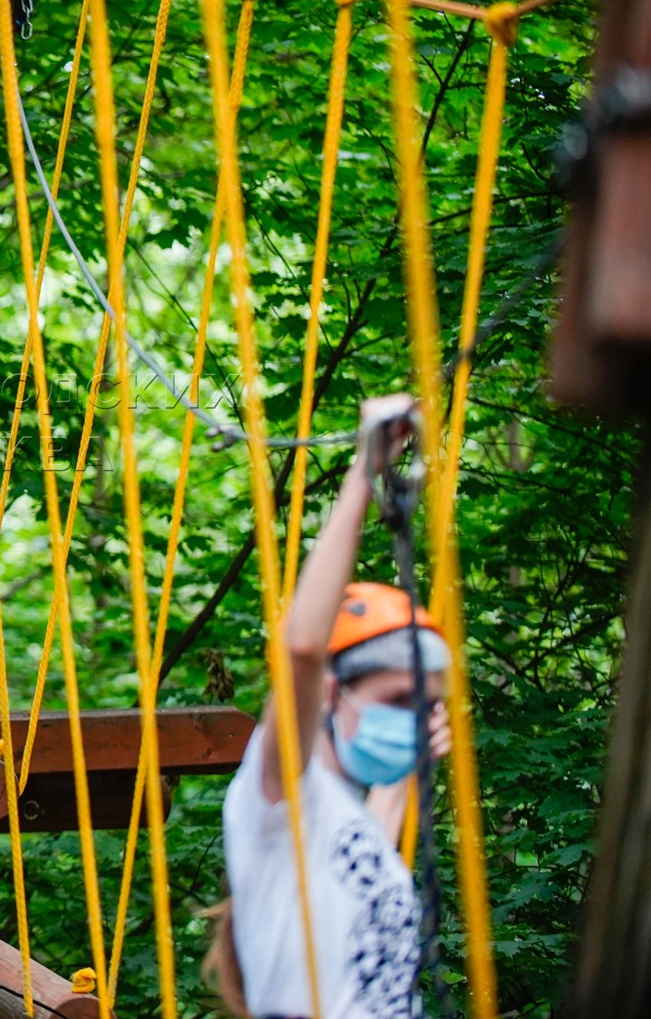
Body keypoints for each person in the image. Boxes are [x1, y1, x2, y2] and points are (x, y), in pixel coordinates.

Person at [209, 394, 455, 1019]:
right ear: (330, 694)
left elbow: (388, 803)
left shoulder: (347, 823)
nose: (411, 717)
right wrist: (363, 472)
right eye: (398, 699)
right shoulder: (281, 799)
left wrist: (413, 757)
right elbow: (303, 646)